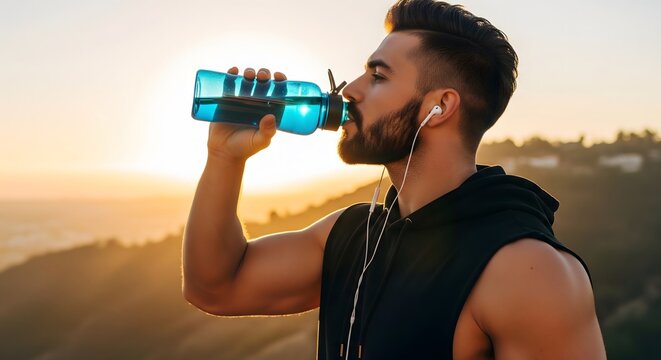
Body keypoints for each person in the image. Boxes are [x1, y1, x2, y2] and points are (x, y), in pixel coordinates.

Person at [182, 0, 607, 358]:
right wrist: (224, 157)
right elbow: (215, 288)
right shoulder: (352, 235)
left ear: (439, 107)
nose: (350, 91)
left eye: (379, 76)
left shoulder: (528, 270)